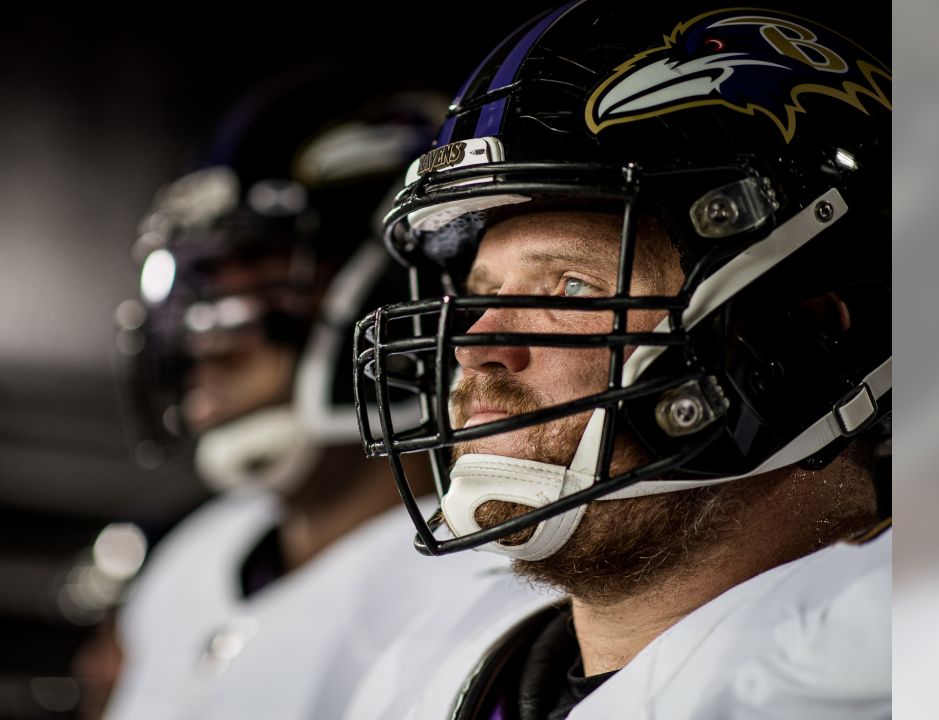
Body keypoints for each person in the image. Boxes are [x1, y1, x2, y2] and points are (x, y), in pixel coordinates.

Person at [345, 2, 891, 718]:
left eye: (570, 286)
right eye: (481, 295)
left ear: (800, 344)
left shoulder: (889, 654)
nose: (479, 345)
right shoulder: (432, 663)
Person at [103, 72, 508, 720]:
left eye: (261, 273)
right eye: (203, 278)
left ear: (396, 289)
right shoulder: (192, 558)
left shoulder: (485, 582)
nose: (206, 336)